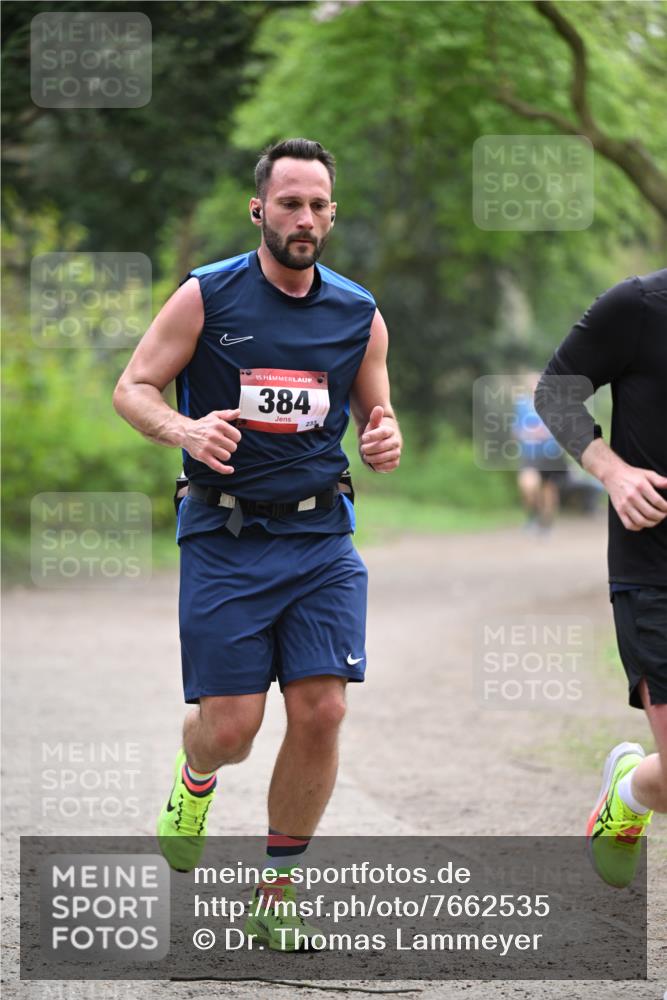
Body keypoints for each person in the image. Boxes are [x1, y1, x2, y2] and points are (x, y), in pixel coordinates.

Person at [113, 138, 402, 947]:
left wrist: (384, 438)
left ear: (331, 215)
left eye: (316, 205)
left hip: (321, 536)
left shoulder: (358, 312)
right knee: (230, 730)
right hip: (225, 532)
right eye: (288, 204)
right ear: (258, 211)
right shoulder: (206, 296)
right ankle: (196, 775)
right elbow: (133, 387)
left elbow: (376, 412)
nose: (303, 218)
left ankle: (277, 892)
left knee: (323, 709)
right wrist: (183, 428)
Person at [535, 268, 667, 888]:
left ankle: (635, 788)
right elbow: (555, 393)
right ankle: (630, 790)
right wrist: (613, 472)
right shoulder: (640, 305)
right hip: (655, 571)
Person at [513, 371, 567, 533]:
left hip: (550, 454)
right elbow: (516, 428)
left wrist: (546, 433)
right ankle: (533, 516)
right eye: (532, 383)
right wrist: (526, 433)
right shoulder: (522, 405)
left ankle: (546, 523)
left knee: (548, 490)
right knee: (527, 485)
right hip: (530, 454)